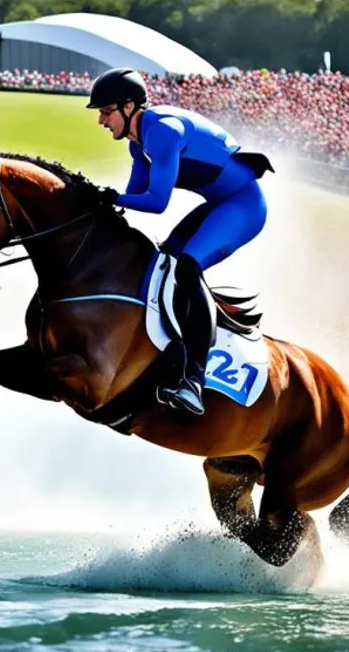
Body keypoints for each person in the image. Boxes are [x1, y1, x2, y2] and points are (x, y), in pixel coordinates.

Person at [88, 67, 273, 416]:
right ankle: (167, 349)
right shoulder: (137, 144)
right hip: (220, 203)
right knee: (165, 260)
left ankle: (193, 381)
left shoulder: (162, 131)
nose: (100, 120)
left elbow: (156, 203)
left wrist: (109, 196)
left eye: (106, 111)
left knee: (187, 266)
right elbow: (133, 197)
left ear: (130, 107)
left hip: (243, 206)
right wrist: (97, 199)